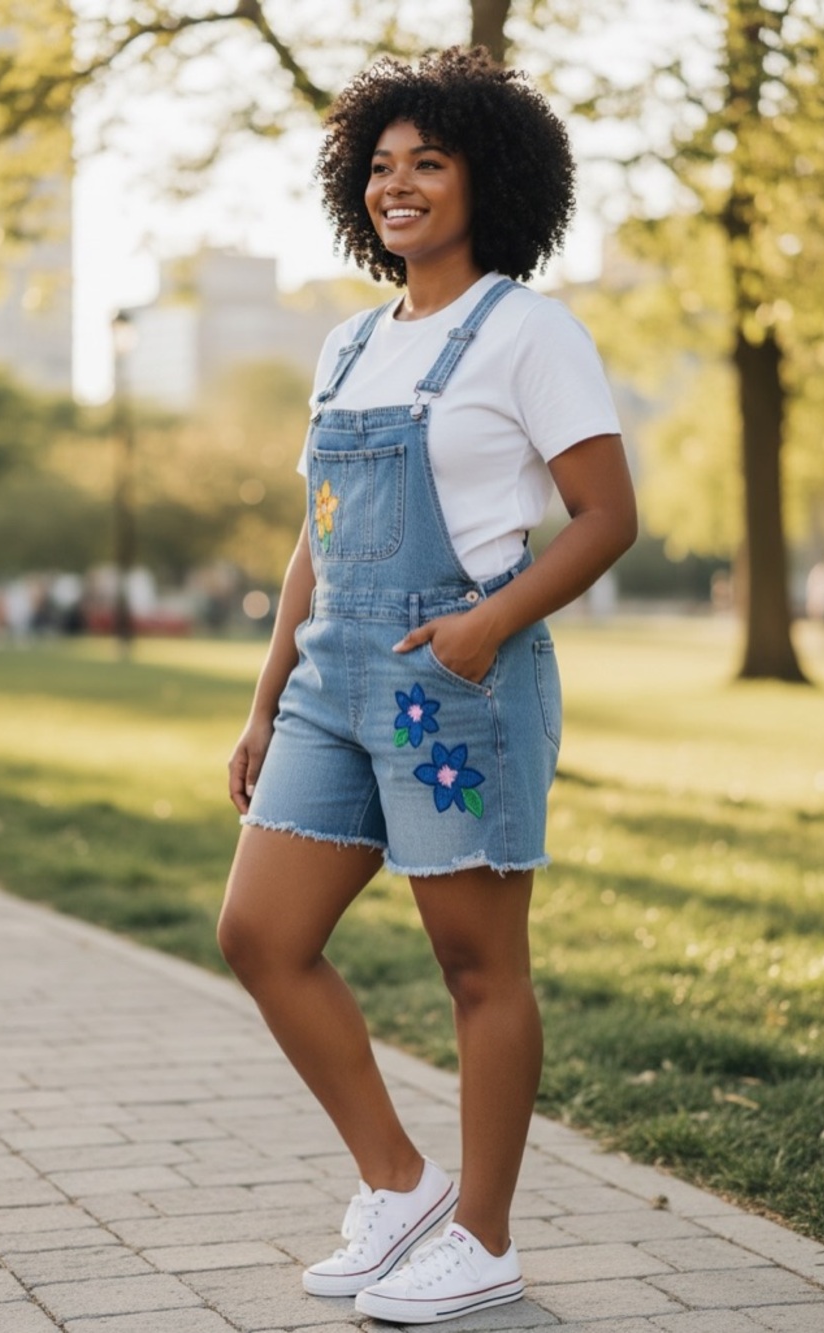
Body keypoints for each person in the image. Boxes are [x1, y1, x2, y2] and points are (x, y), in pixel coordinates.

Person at [217, 46, 637, 1325]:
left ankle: (484, 1238)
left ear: (484, 181)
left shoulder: (529, 332)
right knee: (259, 934)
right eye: (381, 165)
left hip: (458, 680)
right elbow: (317, 534)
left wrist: (487, 625)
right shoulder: (348, 345)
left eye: (429, 162)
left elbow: (606, 516)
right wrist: (265, 696)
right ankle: (399, 1187)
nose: (397, 184)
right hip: (330, 680)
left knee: (474, 963)